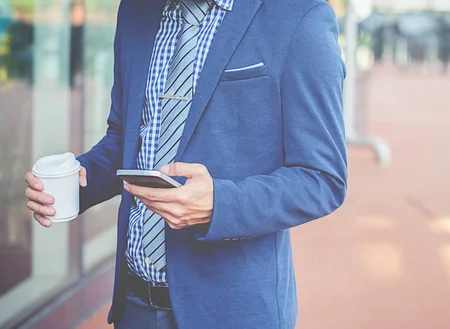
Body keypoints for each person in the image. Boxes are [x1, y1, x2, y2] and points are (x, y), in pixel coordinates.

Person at [23, 0, 347, 328]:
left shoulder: (299, 16)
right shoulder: (135, 10)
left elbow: (322, 178)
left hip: (234, 313)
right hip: (135, 307)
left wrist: (219, 205)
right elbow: (126, 137)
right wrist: (79, 181)